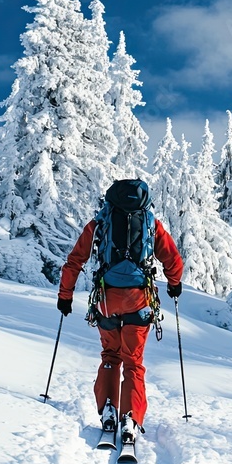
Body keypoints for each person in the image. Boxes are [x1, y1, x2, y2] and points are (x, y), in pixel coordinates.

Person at [57, 179, 184, 444]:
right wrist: (174, 284)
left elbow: (75, 260)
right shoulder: (151, 223)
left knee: (110, 356)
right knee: (133, 363)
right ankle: (130, 417)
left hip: (106, 300)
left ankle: (108, 411)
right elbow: (172, 258)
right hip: (139, 300)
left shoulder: (100, 223)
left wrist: (65, 296)